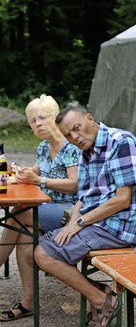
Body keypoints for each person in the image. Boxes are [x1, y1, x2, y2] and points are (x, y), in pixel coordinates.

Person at [33, 103, 136, 327]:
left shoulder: (121, 142)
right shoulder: (85, 150)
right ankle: (100, 292)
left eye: (77, 128)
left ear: (90, 118)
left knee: (43, 253)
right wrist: (72, 223)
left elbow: (122, 199)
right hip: (97, 223)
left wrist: (79, 222)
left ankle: (102, 300)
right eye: (68, 135)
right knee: (41, 242)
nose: (75, 136)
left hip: (117, 227)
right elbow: (84, 197)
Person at [0, 95, 80, 322]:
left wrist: (39, 181)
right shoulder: (44, 146)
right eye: (33, 121)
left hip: (70, 211)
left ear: (56, 117)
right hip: (46, 207)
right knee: (25, 242)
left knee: (16, 214)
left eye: (42, 118)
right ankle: (29, 303)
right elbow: (35, 171)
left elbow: (74, 183)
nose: (38, 124)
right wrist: (22, 173)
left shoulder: (70, 147)